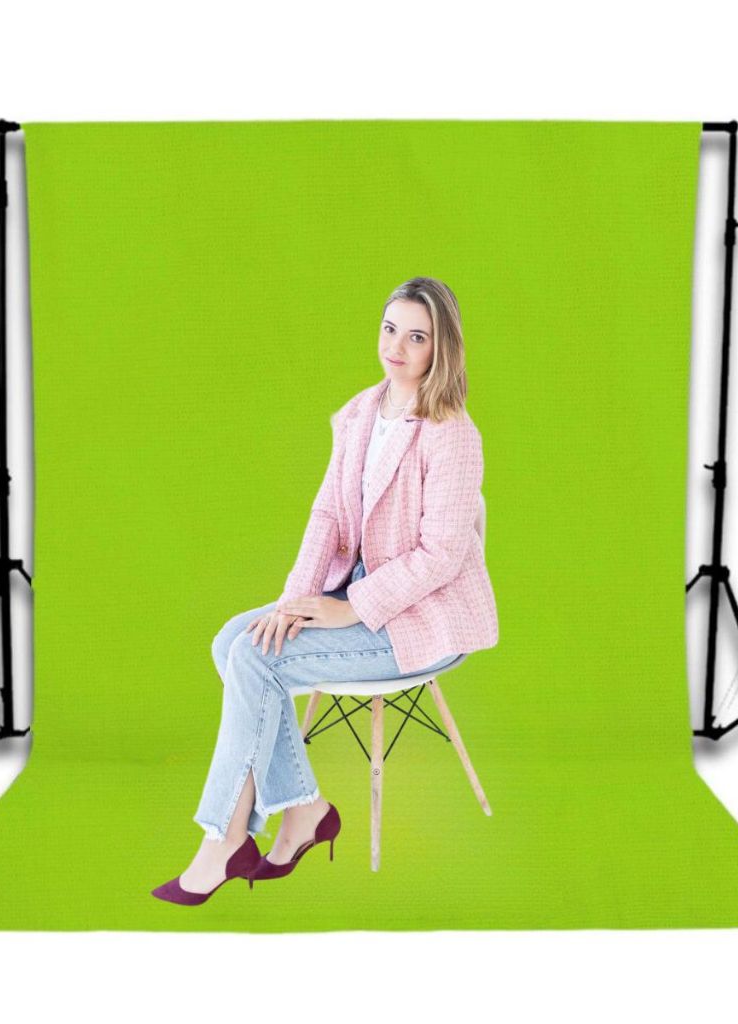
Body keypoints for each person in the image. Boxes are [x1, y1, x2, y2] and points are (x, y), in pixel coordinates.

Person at [152, 277, 498, 906]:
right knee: (234, 640)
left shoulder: (452, 433)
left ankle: (223, 838)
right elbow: (329, 518)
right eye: (389, 329)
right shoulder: (361, 413)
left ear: (440, 349)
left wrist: (350, 608)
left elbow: (442, 556)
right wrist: (294, 603)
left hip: (421, 618)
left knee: (256, 659)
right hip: (358, 595)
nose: (396, 347)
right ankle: (305, 810)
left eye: (416, 337)